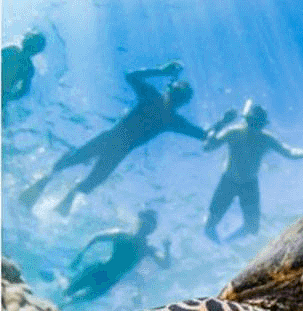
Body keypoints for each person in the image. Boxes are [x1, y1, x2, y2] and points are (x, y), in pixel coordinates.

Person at [19, 60, 217, 215]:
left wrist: (162, 72)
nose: (176, 98)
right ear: (171, 90)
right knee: (78, 165)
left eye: (180, 97)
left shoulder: (166, 112)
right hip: (113, 142)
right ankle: (47, 185)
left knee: (90, 177)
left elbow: (203, 135)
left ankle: (61, 195)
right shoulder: (163, 110)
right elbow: (131, 76)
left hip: (115, 145)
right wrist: (161, 71)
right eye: (178, 93)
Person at [203, 99, 303, 243]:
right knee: (210, 224)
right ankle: (221, 245)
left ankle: (227, 243)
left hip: (249, 184)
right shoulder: (233, 132)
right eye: (252, 123)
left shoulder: (266, 138)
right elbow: (207, 147)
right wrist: (222, 123)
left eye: (258, 124)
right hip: (229, 181)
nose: (254, 127)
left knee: (252, 228)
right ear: (246, 120)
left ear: (263, 125)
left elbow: (288, 152)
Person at [62, 209, 170, 306]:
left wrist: (167, 249)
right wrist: (79, 256)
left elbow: (165, 265)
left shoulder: (146, 248)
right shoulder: (123, 235)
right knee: (68, 294)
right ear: (139, 221)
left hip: (109, 280)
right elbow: (96, 238)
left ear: (152, 230)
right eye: (145, 222)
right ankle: (60, 286)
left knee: (73, 300)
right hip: (99, 271)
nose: (146, 225)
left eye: (149, 224)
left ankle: (60, 297)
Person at [2, 30, 46, 112]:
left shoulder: (11, 50)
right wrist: (8, 97)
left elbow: (23, 91)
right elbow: (23, 91)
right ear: (36, 52)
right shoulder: (29, 68)